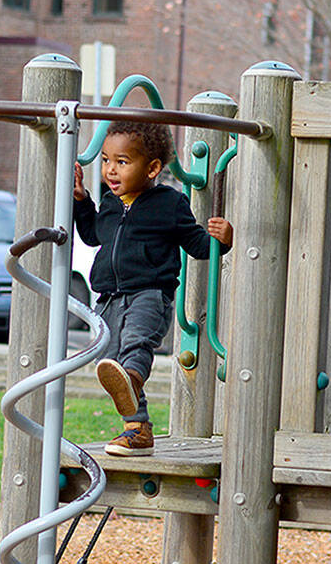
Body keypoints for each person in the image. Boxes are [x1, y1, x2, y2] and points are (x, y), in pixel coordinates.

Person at [73, 120, 232, 455]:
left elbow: (199, 246)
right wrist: (82, 201)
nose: (111, 170)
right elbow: (92, 235)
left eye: (122, 162)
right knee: (109, 359)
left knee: (135, 345)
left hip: (149, 294)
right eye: (105, 160)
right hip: (109, 298)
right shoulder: (111, 203)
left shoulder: (169, 204)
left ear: (152, 168)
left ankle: (131, 383)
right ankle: (138, 429)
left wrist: (224, 240)